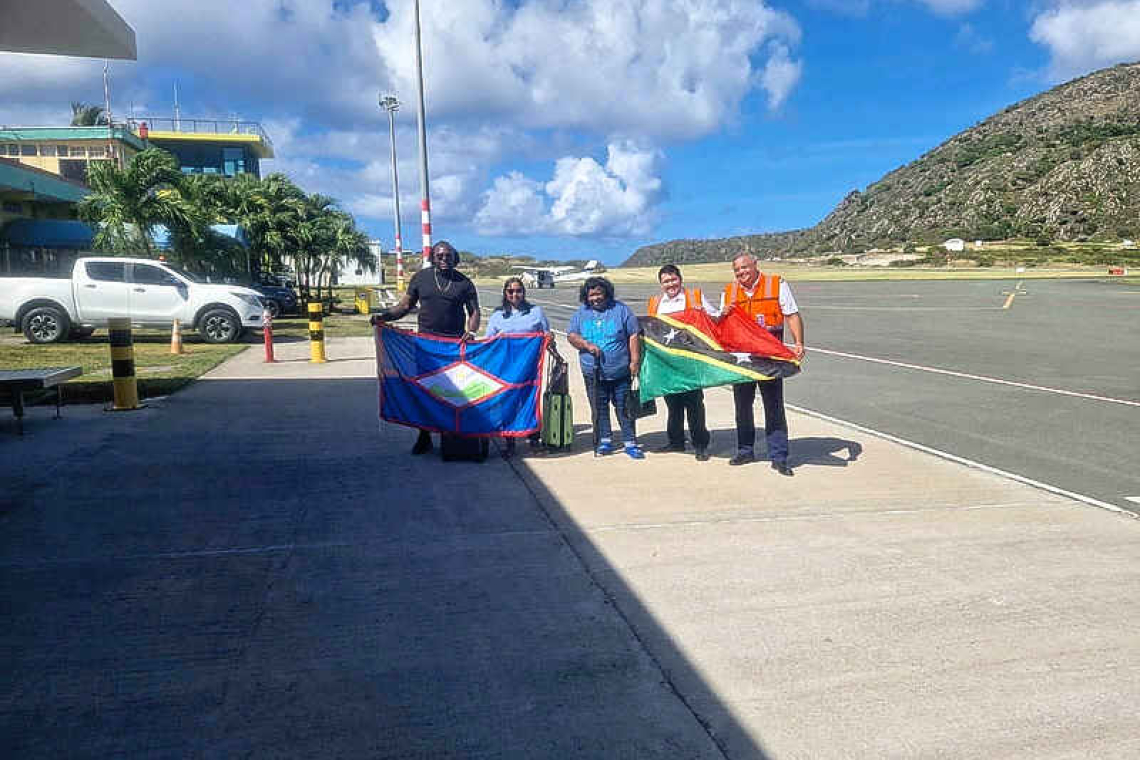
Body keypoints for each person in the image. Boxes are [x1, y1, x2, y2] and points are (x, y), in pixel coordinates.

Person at [372, 240, 480, 455]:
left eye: (448, 256)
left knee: (451, 392)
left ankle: (450, 433)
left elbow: (474, 312)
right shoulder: (421, 278)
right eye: (439, 256)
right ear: (432, 257)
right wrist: (383, 317)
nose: (444, 259)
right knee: (425, 391)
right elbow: (404, 306)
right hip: (425, 345)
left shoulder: (464, 283)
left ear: (454, 257)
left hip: (453, 346)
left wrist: (472, 331)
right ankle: (424, 435)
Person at [720, 253, 805, 475]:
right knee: (743, 405)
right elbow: (720, 323)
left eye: (745, 268)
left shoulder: (776, 285)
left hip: (769, 356)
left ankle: (779, 457)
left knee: (774, 406)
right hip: (743, 358)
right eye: (737, 270)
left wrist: (798, 343)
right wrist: (723, 314)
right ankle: (745, 450)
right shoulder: (728, 291)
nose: (741, 273)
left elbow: (792, 315)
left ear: (755, 266)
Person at [646, 264, 720, 461]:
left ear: (680, 279)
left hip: (691, 360)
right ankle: (676, 441)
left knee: (694, 403)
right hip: (668, 362)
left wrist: (702, 311)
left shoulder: (694, 296)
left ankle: (700, 444)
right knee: (672, 403)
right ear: (661, 284)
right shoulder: (655, 302)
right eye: (666, 281)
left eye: (673, 279)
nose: (671, 284)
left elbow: (716, 318)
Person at [566, 276, 645, 460]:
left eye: (599, 294)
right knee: (599, 408)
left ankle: (630, 442)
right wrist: (586, 345)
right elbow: (571, 335)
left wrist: (634, 361)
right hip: (593, 373)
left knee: (624, 407)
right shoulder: (580, 314)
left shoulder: (621, 310)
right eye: (591, 295)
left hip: (620, 371)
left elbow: (633, 334)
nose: (595, 298)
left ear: (607, 293)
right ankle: (605, 440)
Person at [485, 276, 563, 458]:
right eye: (510, 291)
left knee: (530, 401)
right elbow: (489, 341)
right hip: (505, 368)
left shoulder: (536, 312)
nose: (515, 294)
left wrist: (551, 342)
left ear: (524, 292)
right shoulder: (497, 315)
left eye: (518, 290)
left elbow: (547, 334)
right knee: (508, 402)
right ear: (505, 293)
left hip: (529, 366)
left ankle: (533, 440)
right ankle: (510, 442)